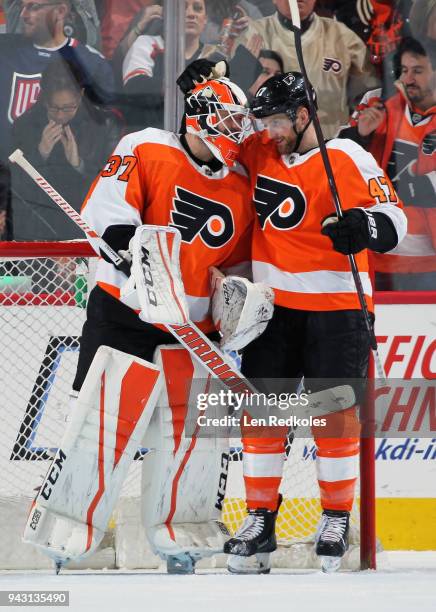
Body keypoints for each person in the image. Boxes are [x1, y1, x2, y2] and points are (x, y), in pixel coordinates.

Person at [177, 63, 407, 573]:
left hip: (339, 308)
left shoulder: (347, 157)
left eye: (277, 121)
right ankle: (259, 520)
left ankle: (335, 517)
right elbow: (207, 141)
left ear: (304, 115)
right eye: (264, 123)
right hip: (272, 308)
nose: (268, 132)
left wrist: (361, 226)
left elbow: (395, 220)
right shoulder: (259, 147)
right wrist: (194, 90)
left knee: (334, 415)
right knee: (262, 414)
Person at [72, 75, 254, 393]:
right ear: (201, 116)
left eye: (239, 121)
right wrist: (134, 253)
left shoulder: (241, 184)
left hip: (195, 332)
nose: (235, 129)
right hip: (125, 315)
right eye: (228, 119)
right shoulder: (146, 145)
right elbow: (110, 212)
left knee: (188, 439)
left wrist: (234, 300)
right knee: (102, 429)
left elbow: (236, 265)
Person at [340, 37, 436, 290]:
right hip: (378, 252)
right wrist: (360, 134)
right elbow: (339, 159)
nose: (408, 79)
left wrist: (408, 186)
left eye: (418, 71)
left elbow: (428, 190)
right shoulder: (378, 105)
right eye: (404, 71)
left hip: (429, 262)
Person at [232, 0, 379, 138]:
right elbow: (231, 95)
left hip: (330, 148)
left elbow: (369, 95)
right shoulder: (252, 35)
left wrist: (354, 133)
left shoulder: (343, 37)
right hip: (270, 147)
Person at [10, 58, 121, 240]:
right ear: (44, 99)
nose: (61, 115)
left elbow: (112, 188)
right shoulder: (26, 125)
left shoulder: (104, 125)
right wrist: (40, 154)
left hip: (85, 226)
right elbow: (16, 189)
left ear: (81, 95)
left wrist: (79, 165)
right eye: (54, 108)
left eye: (69, 108)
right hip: (38, 228)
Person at [119, 0, 262, 131]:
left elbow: (224, 104)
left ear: (205, 20)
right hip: (149, 137)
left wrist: (243, 70)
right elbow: (135, 87)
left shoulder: (215, 56)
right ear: (168, 15)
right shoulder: (147, 43)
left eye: (197, 9)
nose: (191, 14)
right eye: (183, 8)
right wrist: (202, 88)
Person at [0, 0, 113, 161]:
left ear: (60, 11)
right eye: (22, 6)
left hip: (68, 179)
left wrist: (80, 166)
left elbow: (103, 136)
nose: (23, 14)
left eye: (33, 7)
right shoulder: (4, 50)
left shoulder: (93, 64)